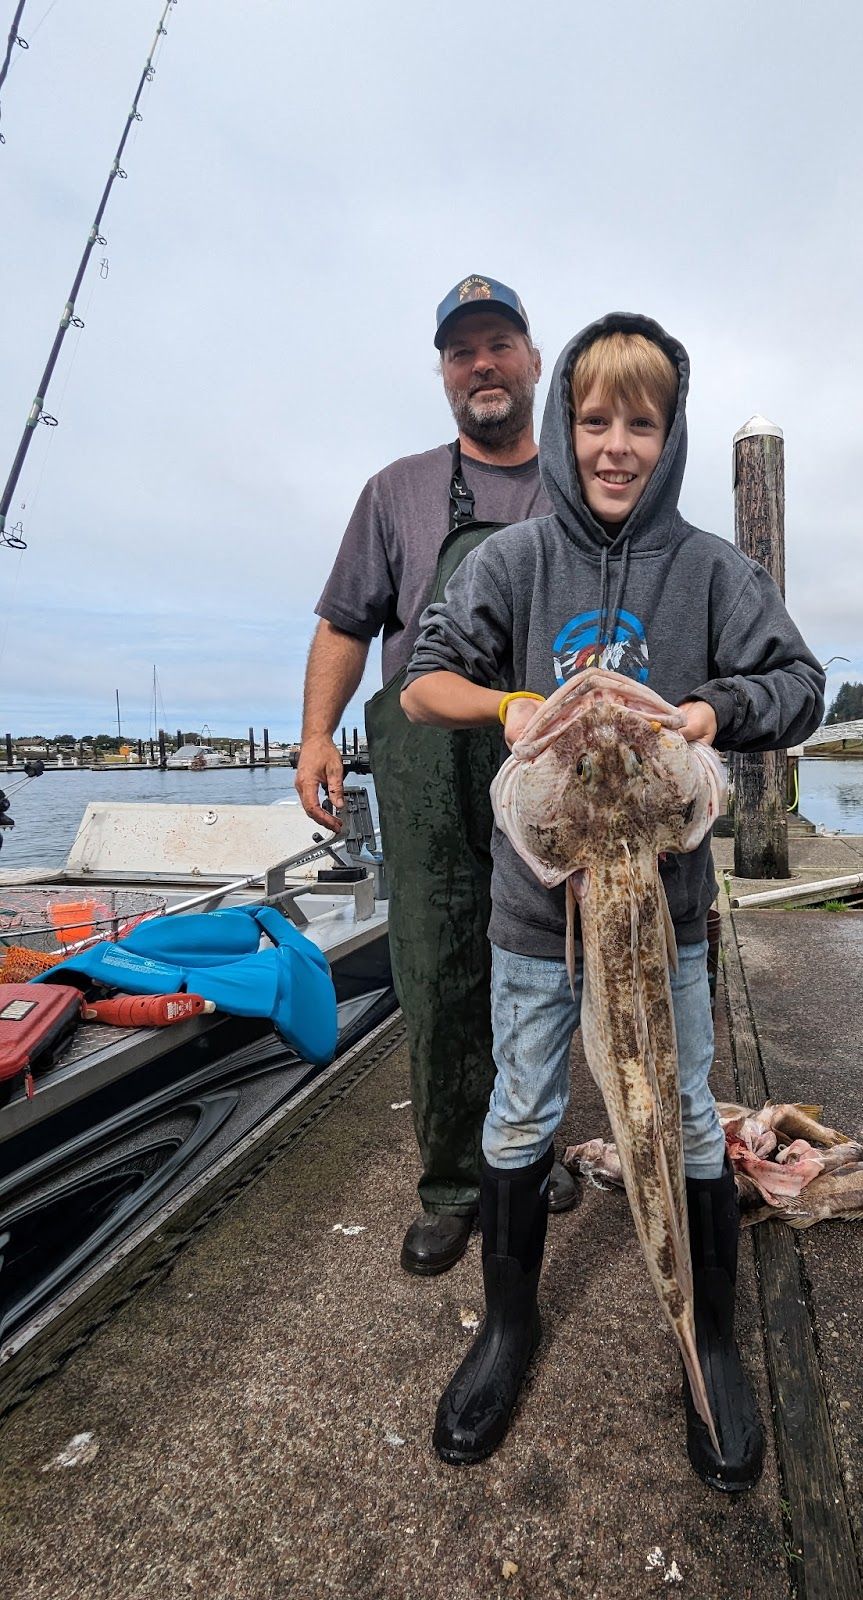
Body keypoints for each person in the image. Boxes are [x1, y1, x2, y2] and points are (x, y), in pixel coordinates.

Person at [400, 313, 826, 1490]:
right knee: (520, 1111)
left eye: (641, 423)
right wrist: (509, 709)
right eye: (594, 420)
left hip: (660, 907)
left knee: (682, 1114)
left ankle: (707, 1342)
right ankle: (506, 1327)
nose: (615, 445)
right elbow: (421, 681)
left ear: (669, 434)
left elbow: (801, 685)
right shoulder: (512, 559)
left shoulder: (710, 569)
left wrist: (706, 712)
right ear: (564, 426)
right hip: (537, 914)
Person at [296, 275, 577, 1279]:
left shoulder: (579, 487)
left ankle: (532, 1153)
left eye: (499, 344)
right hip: (425, 764)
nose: (482, 365)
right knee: (437, 963)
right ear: (444, 373)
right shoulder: (396, 491)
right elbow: (344, 624)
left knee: (545, 962)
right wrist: (316, 735)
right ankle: (454, 1184)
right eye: (462, 352)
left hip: (546, 760)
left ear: (534, 359)